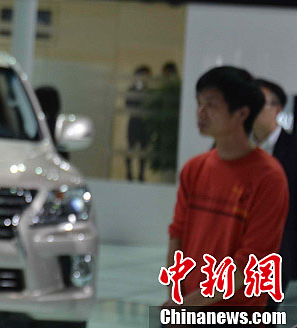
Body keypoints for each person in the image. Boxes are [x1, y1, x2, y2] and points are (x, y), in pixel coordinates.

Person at [163, 66, 288, 310]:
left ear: (241, 113)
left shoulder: (269, 177)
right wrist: (178, 299)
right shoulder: (194, 169)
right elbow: (177, 236)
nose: (201, 112)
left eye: (211, 104)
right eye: (199, 103)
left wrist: (188, 305)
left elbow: (250, 262)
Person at [253, 78, 296, 310]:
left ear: (277, 109)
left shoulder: (292, 149)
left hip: (279, 257)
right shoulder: (233, 148)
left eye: (258, 103)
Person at [125, 65, 152, 181]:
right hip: (134, 122)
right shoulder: (131, 90)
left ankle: (141, 175)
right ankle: (129, 174)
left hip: (145, 124)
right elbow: (128, 105)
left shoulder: (149, 90)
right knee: (131, 149)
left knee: (143, 150)